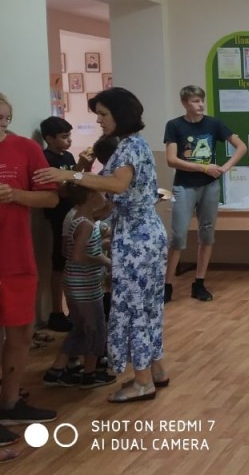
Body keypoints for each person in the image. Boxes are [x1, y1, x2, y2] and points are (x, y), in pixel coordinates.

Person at [34, 87, 170, 403]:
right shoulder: (134, 145)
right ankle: (157, 371)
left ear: (120, 115)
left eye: (103, 114)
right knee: (147, 307)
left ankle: (143, 382)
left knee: (134, 308)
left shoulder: (129, 147)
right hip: (144, 235)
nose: (99, 120)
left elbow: (117, 185)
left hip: (137, 240)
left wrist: (71, 174)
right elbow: (113, 195)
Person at [0, 92, 60, 451]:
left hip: (17, 259)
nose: (3, 123)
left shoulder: (26, 148)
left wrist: (16, 195)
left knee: (20, 334)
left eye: (6, 117)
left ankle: (10, 404)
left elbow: (50, 197)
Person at [164, 85, 247, 302]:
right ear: (185, 103)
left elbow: (241, 147)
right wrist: (203, 167)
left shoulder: (214, 123)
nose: (200, 105)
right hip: (184, 186)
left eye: (202, 100)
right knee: (178, 236)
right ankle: (167, 285)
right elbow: (171, 160)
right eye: (195, 101)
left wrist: (225, 168)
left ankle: (199, 282)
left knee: (207, 234)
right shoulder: (174, 125)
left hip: (210, 186)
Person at [41, 183, 117, 389]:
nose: (103, 196)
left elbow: (75, 249)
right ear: (91, 196)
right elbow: (77, 255)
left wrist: (101, 246)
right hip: (85, 287)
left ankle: (56, 371)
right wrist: (104, 261)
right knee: (95, 328)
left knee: (80, 329)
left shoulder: (78, 219)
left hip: (76, 284)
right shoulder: (86, 224)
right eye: (100, 192)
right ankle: (89, 374)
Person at [39, 116, 93, 333]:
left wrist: (84, 167)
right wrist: (78, 168)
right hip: (58, 214)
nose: (69, 140)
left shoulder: (68, 156)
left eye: (69, 135)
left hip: (73, 212)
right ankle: (56, 311)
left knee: (73, 260)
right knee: (59, 262)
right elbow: (60, 190)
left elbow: (76, 184)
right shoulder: (45, 158)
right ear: (49, 138)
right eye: (64, 136)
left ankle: (74, 308)